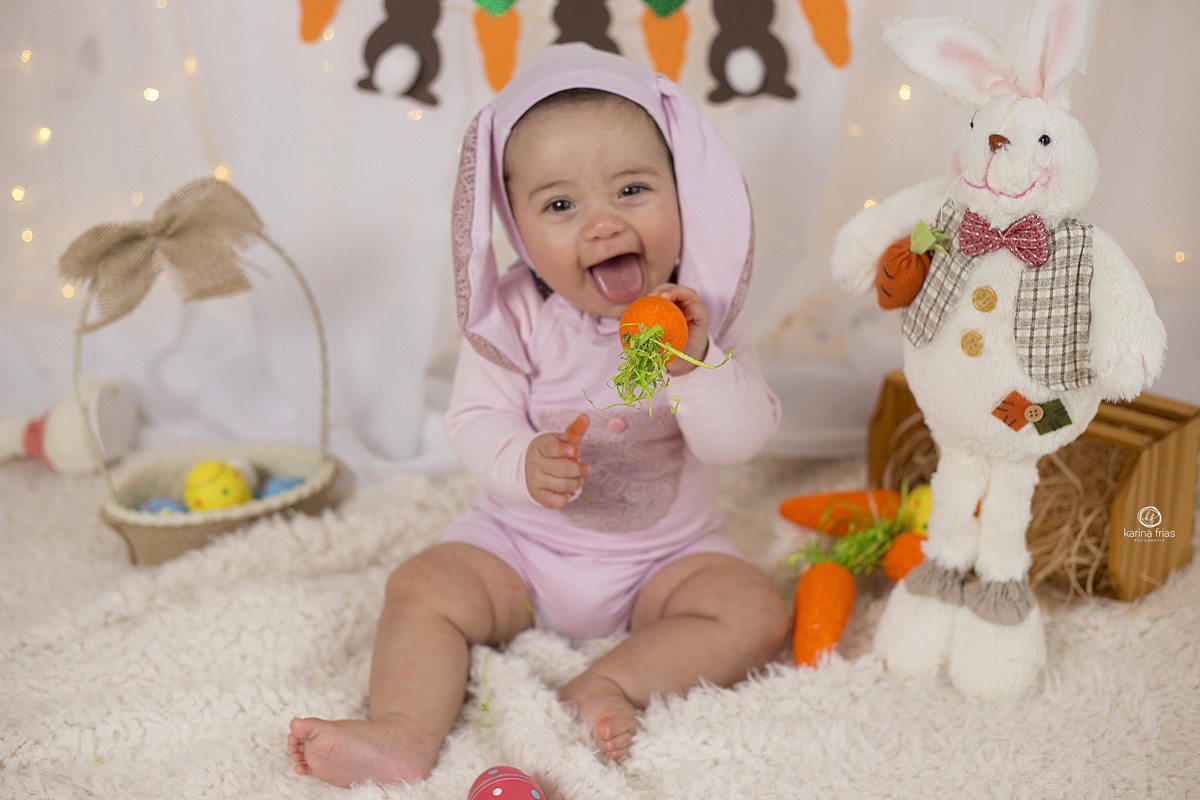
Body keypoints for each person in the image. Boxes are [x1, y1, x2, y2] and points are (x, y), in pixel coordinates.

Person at [287, 43, 788, 788]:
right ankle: (401, 732)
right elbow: (473, 420)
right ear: (517, 230)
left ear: (683, 192)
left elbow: (738, 442)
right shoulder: (513, 317)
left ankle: (611, 683)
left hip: (663, 563)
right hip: (518, 552)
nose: (603, 224)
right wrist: (521, 460)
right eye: (560, 205)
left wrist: (695, 362)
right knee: (422, 587)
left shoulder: (700, 316)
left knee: (754, 611)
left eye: (633, 189)